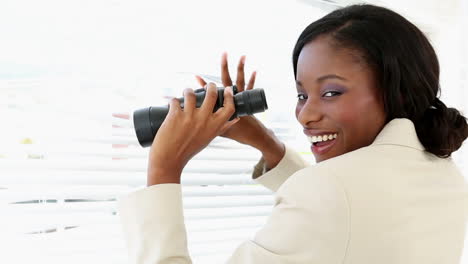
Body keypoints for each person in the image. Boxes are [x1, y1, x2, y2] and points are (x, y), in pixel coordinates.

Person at [118, 4, 468, 263]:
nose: (306, 114)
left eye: (331, 92)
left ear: (398, 92)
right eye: (302, 95)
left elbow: (335, 202)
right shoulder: (445, 175)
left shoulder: (331, 191)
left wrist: (164, 170)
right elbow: (348, 212)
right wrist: (265, 143)